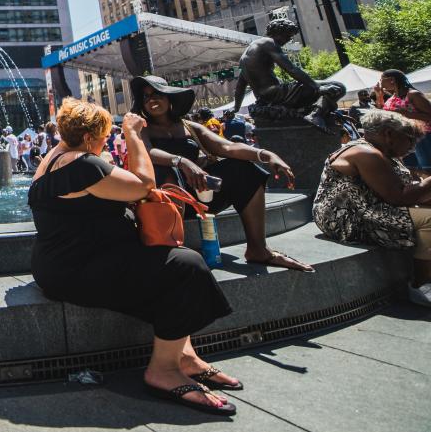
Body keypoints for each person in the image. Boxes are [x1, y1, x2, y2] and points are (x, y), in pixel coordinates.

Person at [28, 99, 236, 415]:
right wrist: (133, 135)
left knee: (166, 264)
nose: (104, 143)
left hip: (64, 263)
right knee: (186, 266)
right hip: (77, 269)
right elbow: (143, 184)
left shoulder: (54, 158)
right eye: (102, 136)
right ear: (88, 138)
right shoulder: (84, 166)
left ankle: (186, 356)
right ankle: (163, 371)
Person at [131, 76, 312, 272]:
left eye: (156, 94)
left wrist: (265, 154)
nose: (151, 99)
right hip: (166, 201)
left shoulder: (190, 126)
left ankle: (258, 249)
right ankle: (171, 251)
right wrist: (182, 162)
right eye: (146, 96)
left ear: (169, 97)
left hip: (201, 195)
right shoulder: (142, 130)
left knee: (244, 169)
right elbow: (147, 152)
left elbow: (227, 147)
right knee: (165, 171)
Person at [313, 109, 431, 306]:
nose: (413, 147)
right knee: (429, 219)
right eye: (410, 140)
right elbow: (398, 197)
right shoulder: (365, 153)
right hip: (347, 217)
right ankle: (421, 285)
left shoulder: (382, 152)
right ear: (389, 134)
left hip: (372, 208)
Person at [373, 69, 431, 170]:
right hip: (402, 138)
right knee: (413, 169)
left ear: (392, 80)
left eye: (382, 79)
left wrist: (407, 114)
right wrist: (379, 95)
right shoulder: (393, 97)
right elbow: (382, 112)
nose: (380, 82)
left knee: (427, 169)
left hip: (422, 137)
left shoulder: (413, 94)